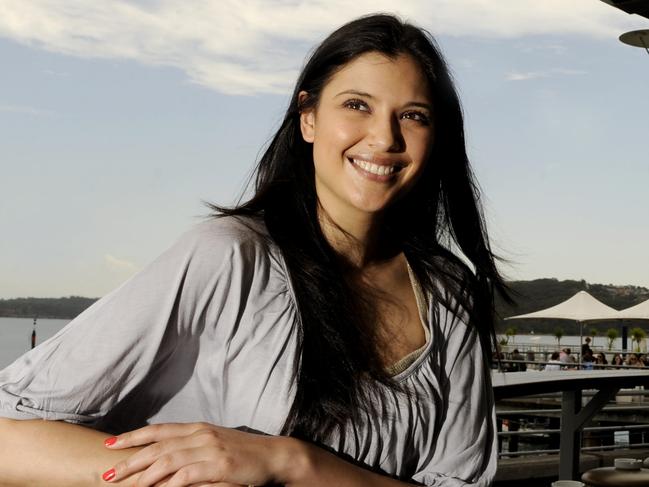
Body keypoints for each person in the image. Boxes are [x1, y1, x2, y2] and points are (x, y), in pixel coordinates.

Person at [0, 14, 508, 487]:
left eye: (413, 115)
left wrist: (291, 461)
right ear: (308, 118)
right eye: (357, 105)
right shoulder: (228, 258)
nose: (384, 136)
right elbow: (8, 435)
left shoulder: (448, 293)